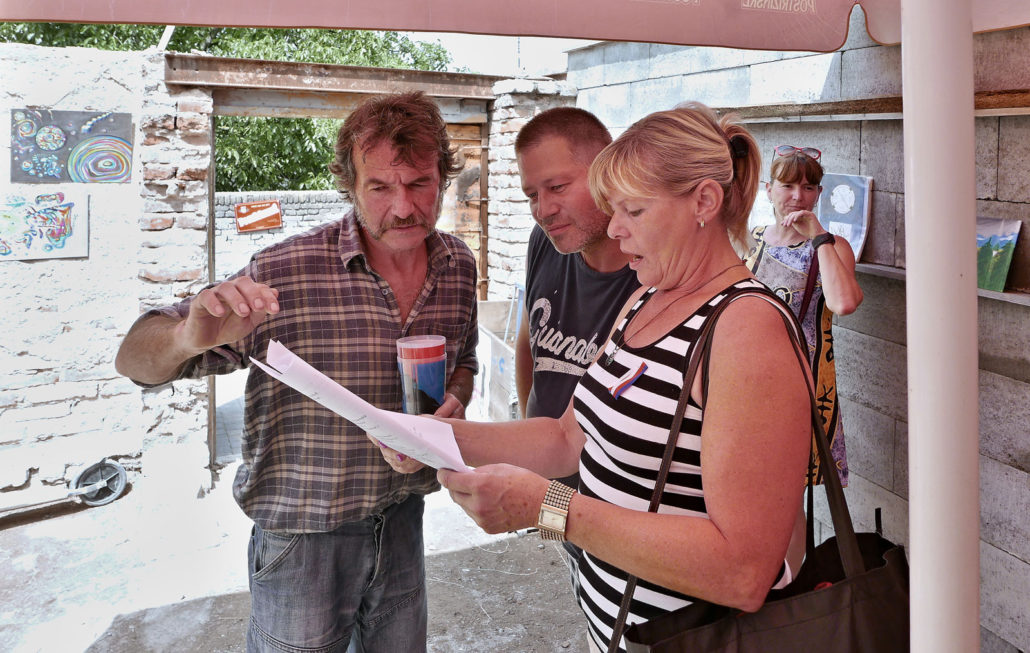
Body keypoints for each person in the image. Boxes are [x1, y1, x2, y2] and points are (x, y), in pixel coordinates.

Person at [385, 103, 813, 653]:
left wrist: (547, 507)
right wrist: (435, 437)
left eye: (633, 210)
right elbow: (567, 437)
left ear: (704, 202)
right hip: (614, 630)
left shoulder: (746, 328)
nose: (614, 228)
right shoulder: (645, 299)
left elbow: (744, 571)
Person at [114, 91, 479, 653]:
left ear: (442, 178)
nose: (404, 207)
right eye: (380, 187)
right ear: (349, 185)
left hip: (403, 520)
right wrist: (187, 337)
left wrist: (455, 400)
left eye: (419, 183)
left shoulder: (458, 266)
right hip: (301, 539)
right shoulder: (284, 270)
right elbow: (134, 361)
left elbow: (465, 361)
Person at [513, 107, 641, 589]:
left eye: (557, 187)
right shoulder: (544, 242)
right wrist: (531, 446)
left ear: (606, 171)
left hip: (626, 512)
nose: (542, 209)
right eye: (532, 195)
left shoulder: (651, 268)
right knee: (581, 590)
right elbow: (529, 343)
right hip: (556, 492)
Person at [745, 145, 863, 486]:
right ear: (769, 190)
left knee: (785, 488)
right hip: (745, 378)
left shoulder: (832, 246)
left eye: (808, 187)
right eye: (788, 186)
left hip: (799, 383)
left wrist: (819, 237)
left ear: (819, 193)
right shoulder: (750, 240)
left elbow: (844, 303)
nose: (798, 196)